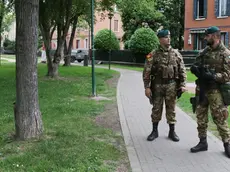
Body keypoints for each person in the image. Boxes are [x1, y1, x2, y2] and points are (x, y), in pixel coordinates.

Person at [190, 26, 230, 158]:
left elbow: (228, 75)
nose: (205, 38)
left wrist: (213, 76)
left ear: (215, 36)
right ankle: (203, 142)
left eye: (207, 36)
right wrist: (195, 69)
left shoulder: (225, 54)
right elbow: (196, 64)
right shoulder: (204, 52)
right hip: (202, 89)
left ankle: (227, 144)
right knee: (201, 117)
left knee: (219, 118)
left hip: (215, 90)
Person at [143, 29, 187, 142]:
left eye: (169, 37)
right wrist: (147, 87)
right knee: (156, 108)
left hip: (171, 85)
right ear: (160, 39)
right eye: (166, 37)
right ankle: (154, 131)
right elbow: (146, 71)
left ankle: (172, 132)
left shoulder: (176, 53)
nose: (168, 39)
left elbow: (182, 70)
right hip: (157, 85)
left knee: (171, 109)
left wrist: (182, 85)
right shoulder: (153, 54)